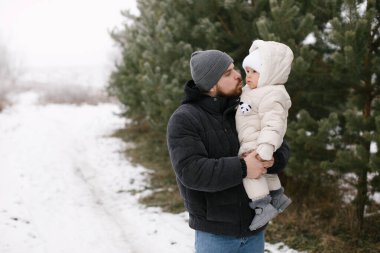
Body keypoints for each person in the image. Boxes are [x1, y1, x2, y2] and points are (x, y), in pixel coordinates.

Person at [166, 49, 290, 253]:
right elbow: (192, 171)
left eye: (234, 68)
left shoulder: (245, 106)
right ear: (211, 84)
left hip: (254, 230)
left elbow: (281, 144)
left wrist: (271, 159)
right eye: (227, 73)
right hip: (215, 236)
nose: (238, 74)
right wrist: (244, 167)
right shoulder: (185, 119)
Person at [235, 40, 293, 231]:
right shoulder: (253, 92)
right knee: (266, 172)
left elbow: (274, 125)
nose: (247, 76)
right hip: (253, 140)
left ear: (269, 73)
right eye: (247, 71)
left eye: (253, 72)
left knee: (251, 175)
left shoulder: (273, 95)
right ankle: (277, 196)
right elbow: (245, 108)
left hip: (257, 144)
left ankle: (262, 207)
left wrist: (266, 148)